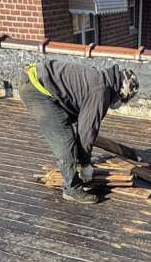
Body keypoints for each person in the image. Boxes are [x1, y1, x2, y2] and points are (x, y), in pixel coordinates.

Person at [19, 59, 140, 204]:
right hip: (37, 89)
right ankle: (72, 189)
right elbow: (86, 133)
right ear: (120, 91)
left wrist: (83, 156)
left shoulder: (102, 79)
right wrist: (85, 165)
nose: (117, 102)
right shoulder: (100, 91)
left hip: (38, 80)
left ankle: (71, 166)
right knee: (65, 141)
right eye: (120, 99)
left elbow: (82, 122)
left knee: (71, 131)